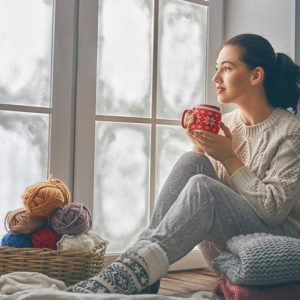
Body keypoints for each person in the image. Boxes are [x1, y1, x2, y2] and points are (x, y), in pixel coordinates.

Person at [66, 33, 300, 295]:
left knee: (203, 187)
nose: (216, 78)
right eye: (216, 69)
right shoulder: (230, 124)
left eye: (227, 68)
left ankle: (131, 271)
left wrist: (229, 158)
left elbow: (272, 211)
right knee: (193, 161)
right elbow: (215, 198)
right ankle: (139, 269)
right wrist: (201, 147)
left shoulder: (291, 132)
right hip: (230, 244)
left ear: (256, 76)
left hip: (279, 243)